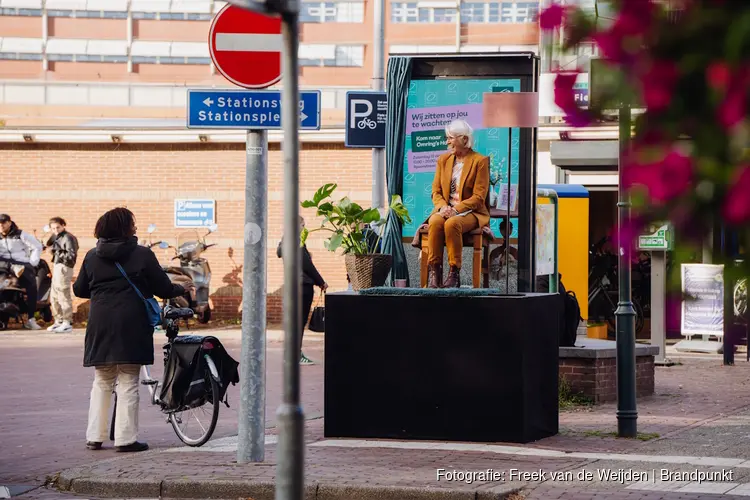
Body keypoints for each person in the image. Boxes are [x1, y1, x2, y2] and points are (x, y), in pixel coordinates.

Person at [73, 207, 193, 453]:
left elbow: (80, 290)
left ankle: (95, 436)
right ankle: (125, 439)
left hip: (101, 322)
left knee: (102, 380)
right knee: (128, 379)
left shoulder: (92, 256)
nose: (135, 227)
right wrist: (183, 288)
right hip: (132, 322)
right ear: (124, 228)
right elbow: (164, 288)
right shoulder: (141, 254)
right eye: (132, 223)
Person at [426, 119, 490, 288]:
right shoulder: (443, 160)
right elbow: (436, 191)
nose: (447, 141)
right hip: (446, 209)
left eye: (450, 138)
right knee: (434, 221)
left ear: (463, 139)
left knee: (452, 224)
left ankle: (454, 273)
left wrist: (455, 209)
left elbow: (479, 197)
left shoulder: (480, 161)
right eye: (447, 138)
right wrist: (443, 207)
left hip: (471, 212)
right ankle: (435, 272)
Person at [276, 216, 328, 365]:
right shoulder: (296, 241)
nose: (304, 227)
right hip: (302, 286)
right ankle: (296, 355)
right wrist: (321, 281)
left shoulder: (285, 240)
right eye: (302, 225)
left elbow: (279, 252)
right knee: (299, 322)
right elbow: (306, 264)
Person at [0, 214, 43, 330]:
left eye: (3, 223)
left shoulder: (20, 234)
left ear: (9, 222)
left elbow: (37, 246)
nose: (1, 226)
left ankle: (31, 319)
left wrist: (32, 262)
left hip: (21, 263)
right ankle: (2, 318)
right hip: (3, 264)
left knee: (31, 285)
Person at [45, 217, 79, 333]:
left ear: (63, 225)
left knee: (63, 295)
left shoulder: (68, 237)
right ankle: (58, 320)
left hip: (64, 267)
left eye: (58, 227)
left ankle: (67, 321)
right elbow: (47, 244)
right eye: (53, 228)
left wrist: (55, 251)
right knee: (54, 296)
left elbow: (71, 256)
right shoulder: (56, 237)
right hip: (57, 266)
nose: (56, 230)